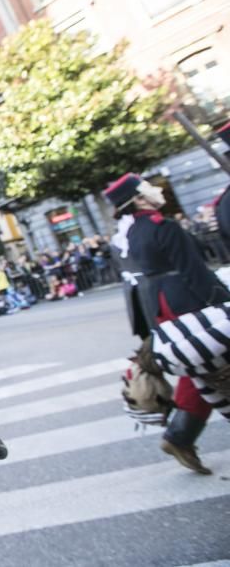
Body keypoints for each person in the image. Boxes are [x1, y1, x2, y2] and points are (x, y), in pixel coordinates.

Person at [105, 173, 230, 475]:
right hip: (186, 300)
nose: (157, 190)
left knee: (198, 368)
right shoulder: (165, 226)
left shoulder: (135, 231)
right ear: (139, 199)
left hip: (161, 304)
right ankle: (179, 436)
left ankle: (180, 436)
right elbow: (194, 271)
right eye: (148, 187)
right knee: (208, 367)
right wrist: (220, 301)